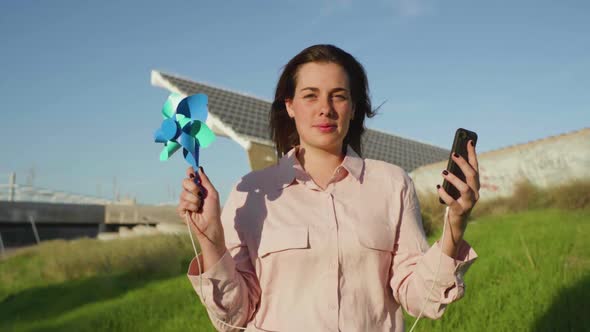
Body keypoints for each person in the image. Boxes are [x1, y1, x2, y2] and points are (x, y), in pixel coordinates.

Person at [178, 44, 479, 332]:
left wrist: (455, 222)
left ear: (353, 108)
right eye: (310, 96)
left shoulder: (392, 184)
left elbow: (420, 298)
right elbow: (233, 316)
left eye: (338, 96)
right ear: (290, 106)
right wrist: (212, 241)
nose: (325, 109)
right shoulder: (250, 192)